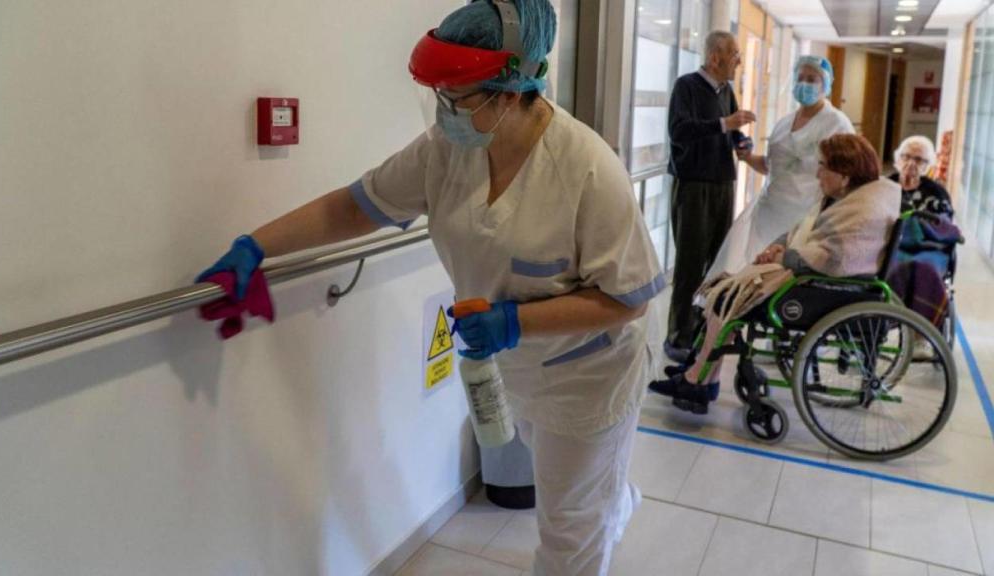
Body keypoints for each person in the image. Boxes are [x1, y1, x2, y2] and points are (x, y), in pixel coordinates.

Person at [196, 1, 663, 574]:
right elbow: (354, 206)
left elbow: (630, 298)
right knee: (573, 489)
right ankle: (607, 497)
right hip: (520, 373)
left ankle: (600, 507)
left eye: (458, 95)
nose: (445, 111)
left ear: (511, 89)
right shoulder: (449, 151)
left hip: (590, 378)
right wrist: (257, 246)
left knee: (567, 534)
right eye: (440, 94)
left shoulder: (590, 169)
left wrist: (514, 321)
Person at [649, 134, 902, 414]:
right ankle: (701, 372)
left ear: (844, 175)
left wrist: (786, 256)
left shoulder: (860, 211)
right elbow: (802, 230)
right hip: (808, 278)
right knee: (723, 290)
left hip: (821, 288)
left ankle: (699, 380)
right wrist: (777, 247)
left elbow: (834, 259)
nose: (817, 173)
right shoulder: (844, 198)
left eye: (822, 166)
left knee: (725, 299)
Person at [707, 56, 854, 279]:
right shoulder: (784, 123)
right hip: (768, 212)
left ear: (825, 84)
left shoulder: (836, 124)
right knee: (755, 276)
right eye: (800, 78)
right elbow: (771, 166)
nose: (804, 84)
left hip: (803, 218)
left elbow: (845, 175)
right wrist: (747, 157)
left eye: (812, 79)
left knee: (783, 278)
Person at [665, 30, 756, 363]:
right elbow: (679, 132)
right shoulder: (686, 86)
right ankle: (678, 335)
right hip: (693, 185)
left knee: (716, 262)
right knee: (689, 263)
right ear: (715, 57)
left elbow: (729, 131)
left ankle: (704, 326)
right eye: (734, 54)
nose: (739, 61)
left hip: (722, 183)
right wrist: (723, 123)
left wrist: (740, 142)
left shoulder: (726, 90)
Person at [890, 135, 954, 217]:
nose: (911, 163)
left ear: (928, 166)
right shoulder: (885, 186)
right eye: (906, 157)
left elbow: (944, 224)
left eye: (918, 160)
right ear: (897, 160)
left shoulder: (937, 193)